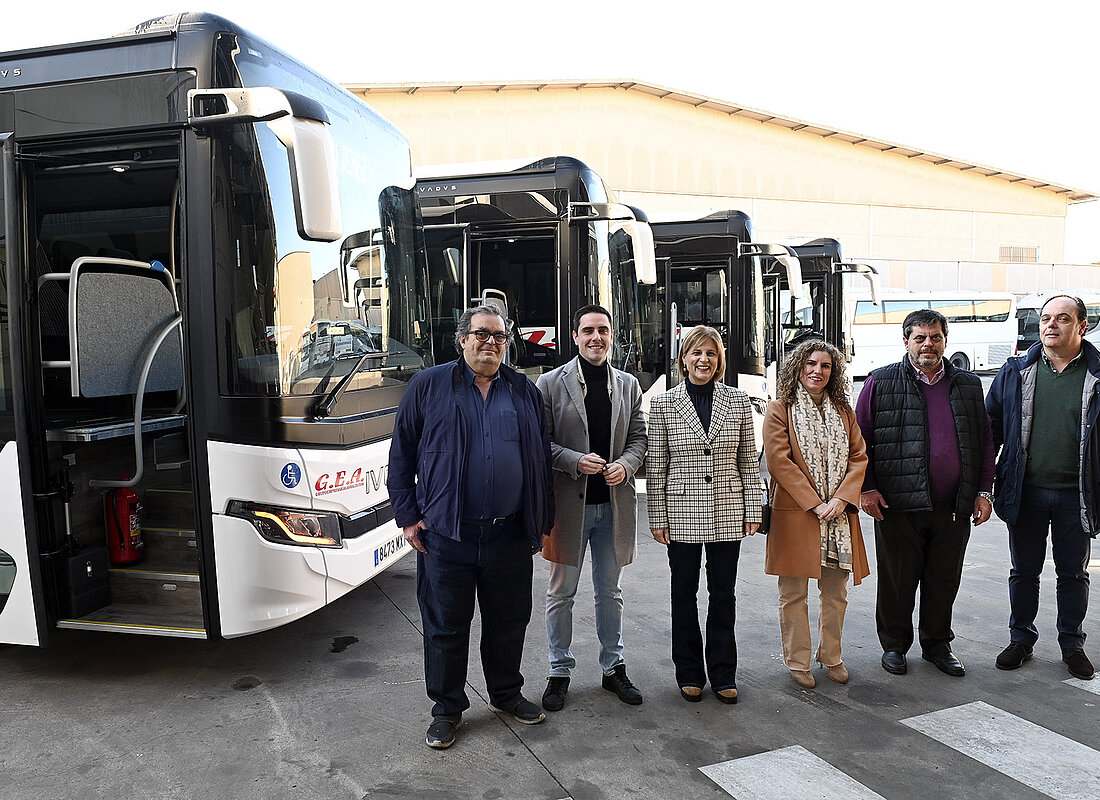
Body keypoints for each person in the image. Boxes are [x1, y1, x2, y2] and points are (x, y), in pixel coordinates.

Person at [388, 305, 555, 749]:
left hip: (508, 535)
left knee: (508, 621)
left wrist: (541, 521)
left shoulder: (523, 390)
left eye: (499, 337)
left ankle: (505, 693)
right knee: (445, 626)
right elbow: (401, 456)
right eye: (481, 334)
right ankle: (446, 709)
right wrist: (407, 516)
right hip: (447, 535)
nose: (490, 343)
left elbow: (539, 463)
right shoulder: (428, 386)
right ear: (462, 340)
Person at [856, 308, 995, 678]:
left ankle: (937, 645)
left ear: (945, 341)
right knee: (897, 580)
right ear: (906, 342)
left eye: (935, 337)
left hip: (953, 505)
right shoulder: (880, 382)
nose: (928, 344)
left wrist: (984, 491)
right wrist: (867, 488)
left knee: (943, 579)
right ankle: (894, 646)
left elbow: (983, 441)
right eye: (919, 337)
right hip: (898, 503)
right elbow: (859, 441)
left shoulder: (967, 384)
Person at [536, 305, 648, 711]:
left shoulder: (629, 385)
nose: (595, 337)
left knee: (609, 592)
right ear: (575, 336)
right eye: (588, 331)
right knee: (560, 592)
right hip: (568, 510)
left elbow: (639, 438)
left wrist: (626, 464)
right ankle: (558, 671)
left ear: (612, 335)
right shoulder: (549, 384)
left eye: (602, 330)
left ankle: (612, 668)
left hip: (613, 508)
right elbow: (540, 444)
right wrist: (572, 460)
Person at [986, 294, 1099, 681]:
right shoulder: (1017, 371)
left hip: (1077, 496)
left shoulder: (1097, 375)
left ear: (1082, 326)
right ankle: (1021, 639)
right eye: (1046, 318)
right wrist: (985, 487)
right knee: (1024, 571)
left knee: (1073, 574)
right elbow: (991, 430)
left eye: (1063, 319)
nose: (1051, 325)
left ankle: (1072, 643)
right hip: (1026, 491)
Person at [646, 325, 762, 704]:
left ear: (719, 361)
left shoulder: (739, 402)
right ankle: (690, 672)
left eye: (711, 354)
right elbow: (657, 467)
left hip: (727, 509)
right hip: (680, 512)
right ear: (683, 359)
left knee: (723, 594)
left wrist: (753, 506)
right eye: (696, 353)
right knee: (683, 593)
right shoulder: (664, 405)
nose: (703, 360)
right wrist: (657, 517)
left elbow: (748, 461)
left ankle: (724, 673)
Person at [763, 340, 869, 688]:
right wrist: (815, 502)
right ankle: (798, 660)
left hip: (839, 515)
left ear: (833, 372)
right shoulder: (780, 409)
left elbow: (859, 458)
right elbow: (780, 462)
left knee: (835, 592)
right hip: (797, 513)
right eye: (810, 363)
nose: (817, 371)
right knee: (793, 593)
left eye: (825, 365)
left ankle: (831, 656)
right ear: (798, 367)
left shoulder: (844, 411)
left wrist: (842, 498)